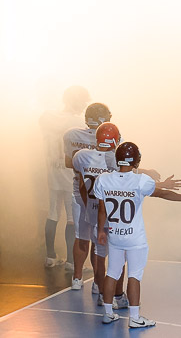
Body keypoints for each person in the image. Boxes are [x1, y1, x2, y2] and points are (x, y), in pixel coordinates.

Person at [95, 141, 181, 328]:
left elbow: (102, 209)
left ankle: (108, 313)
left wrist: (101, 230)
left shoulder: (103, 179)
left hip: (114, 235)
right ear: (136, 161)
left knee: (112, 272)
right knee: (134, 275)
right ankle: (135, 318)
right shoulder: (140, 180)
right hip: (135, 238)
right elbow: (163, 194)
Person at [39, 85, 90, 271]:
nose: (84, 106)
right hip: (70, 174)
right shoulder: (77, 122)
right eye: (82, 102)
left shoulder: (47, 117)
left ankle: (50, 256)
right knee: (72, 217)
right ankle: (71, 261)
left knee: (53, 212)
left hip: (52, 170)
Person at [64, 102, 112, 291]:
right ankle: (97, 282)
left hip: (80, 191)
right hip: (100, 197)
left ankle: (77, 278)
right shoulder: (109, 136)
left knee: (81, 236)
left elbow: (69, 163)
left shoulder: (72, 135)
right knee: (98, 239)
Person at [72, 121, 120, 306]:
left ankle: (100, 290)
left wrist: (88, 205)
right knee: (116, 257)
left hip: (93, 212)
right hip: (112, 215)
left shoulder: (82, 156)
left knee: (99, 254)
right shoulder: (116, 160)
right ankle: (115, 295)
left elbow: (81, 184)